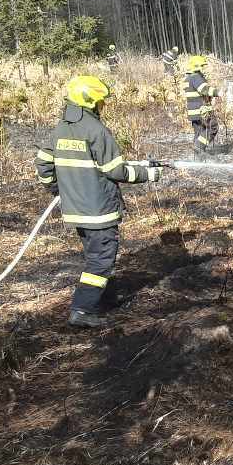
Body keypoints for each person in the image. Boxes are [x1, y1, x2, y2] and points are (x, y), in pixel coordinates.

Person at [35, 74, 162, 328]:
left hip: (76, 212)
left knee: (94, 256)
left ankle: (99, 299)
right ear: (90, 102)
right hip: (98, 211)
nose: (103, 106)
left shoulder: (60, 129)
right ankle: (82, 310)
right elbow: (115, 170)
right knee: (101, 259)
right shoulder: (96, 130)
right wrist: (147, 174)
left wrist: (57, 190)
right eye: (101, 102)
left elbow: (43, 164)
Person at [184, 54, 220, 153]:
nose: (204, 68)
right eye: (202, 66)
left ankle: (198, 156)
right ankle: (199, 147)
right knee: (212, 127)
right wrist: (218, 92)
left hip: (193, 112)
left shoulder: (188, 78)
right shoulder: (196, 77)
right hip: (202, 110)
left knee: (199, 133)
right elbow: (204, 90)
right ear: (197, 66)